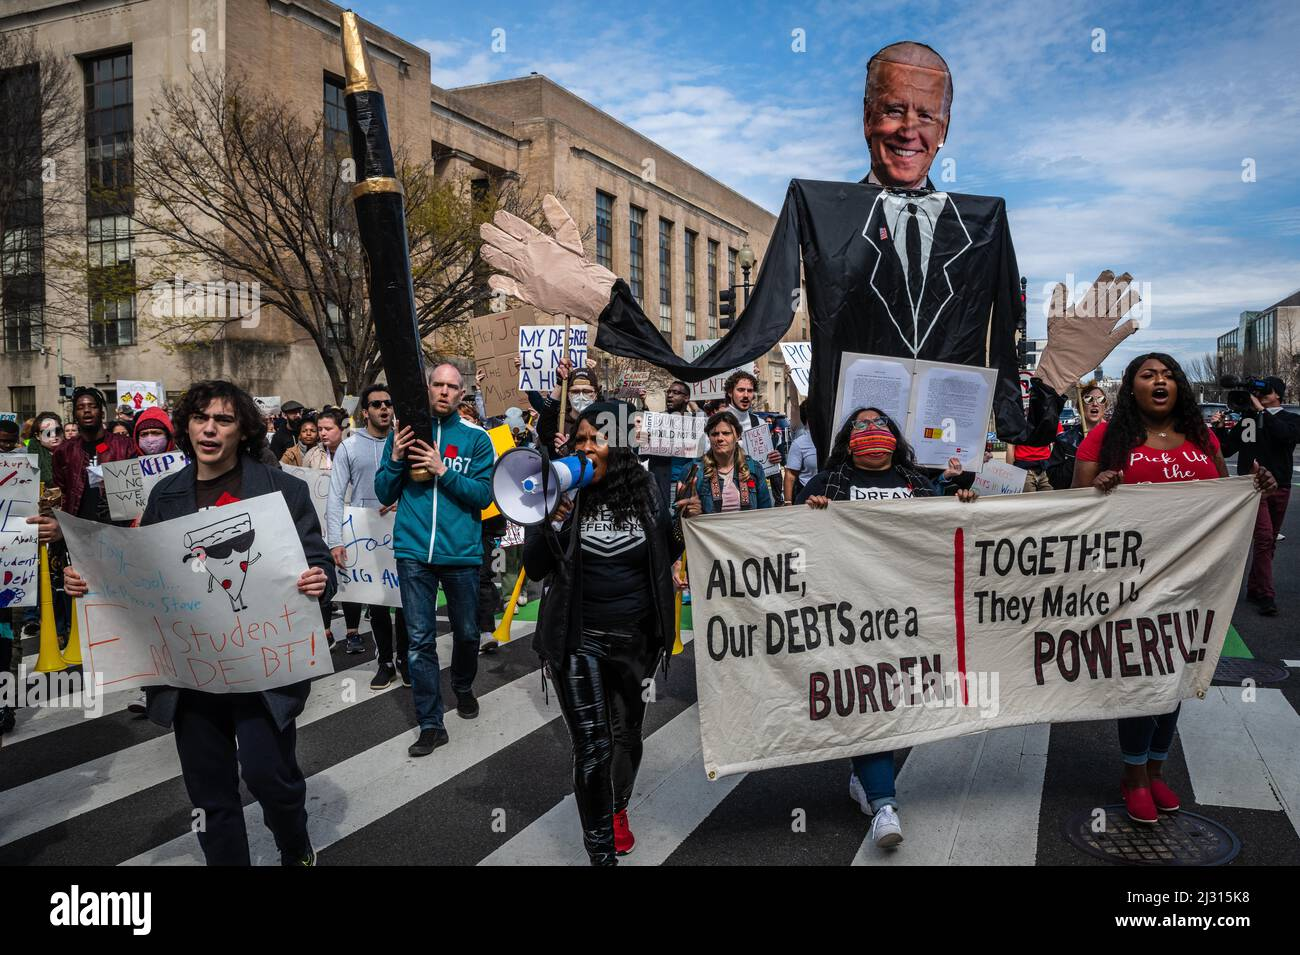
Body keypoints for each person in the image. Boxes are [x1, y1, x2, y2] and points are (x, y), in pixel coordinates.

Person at [60, 380, 335, 865]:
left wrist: (319, 579)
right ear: (186, 426)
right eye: (201, 418)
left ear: (242, 429)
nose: (210, 429)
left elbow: (319, 561)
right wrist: (89, 581)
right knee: (210, 793)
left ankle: (294, 843)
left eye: (224, 419)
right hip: (191, 673)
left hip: (261, 667)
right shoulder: (165, 494)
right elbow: (138, 572)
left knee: (269, 774)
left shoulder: (282, 489)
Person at [1073, 353, 1276, 825]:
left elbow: (1222, 500)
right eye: (1148, 375)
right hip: (1133, 581)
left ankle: (1157, 768)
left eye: (1167, 375)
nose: (1160, 381)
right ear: (1132, 388)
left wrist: (1254, 486)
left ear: (1179, 386)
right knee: (1144, 676)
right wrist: (1101, 486)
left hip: (1196, 580)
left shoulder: (1201, 436)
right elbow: (1076, 505)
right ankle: (1133, 776)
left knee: (1179, 675)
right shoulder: (1107, 435)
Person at [796, 406, 977, 848]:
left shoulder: (916, 484)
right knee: (866, 697)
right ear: (847, 438)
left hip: (906, 613)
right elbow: (796, 543)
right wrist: (810, 514)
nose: (872, 430)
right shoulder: (827, 484)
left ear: (895, 436)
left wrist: (960, 504)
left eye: (880, 424)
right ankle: (884, 805)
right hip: (851, 614)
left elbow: (941, 534)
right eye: (862, 424)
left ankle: (865, 777)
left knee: (888, 702)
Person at [523, 400, 684, 864]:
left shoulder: (648, 490)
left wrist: (682, 524)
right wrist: (549, 515)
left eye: (598, 439)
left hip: (636, 638)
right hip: (577, 638)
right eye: (581, 440)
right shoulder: (564, 495)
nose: (588, 448)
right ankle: (600, 853)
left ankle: (617, 809)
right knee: (591, 744)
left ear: (622, 444)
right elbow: (535, 566)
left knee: (627, 732)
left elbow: (662, 554)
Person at [375, 364, 494, 756]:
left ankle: (462, 685)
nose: (444, 391)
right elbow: (382, 491)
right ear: (427, 389)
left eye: (452, 386)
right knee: (419, 640)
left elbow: (482, 496)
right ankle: (430, 723)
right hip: (413, 554)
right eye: (437, 384)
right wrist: (394, 458)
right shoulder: (405, 432)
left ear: (463, 394)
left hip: (460, 554)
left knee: (467, 633)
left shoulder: (477, 438)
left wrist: (442, 470)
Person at [327, 384, 411, 682]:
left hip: (403, 529)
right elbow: (335, 495)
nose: (384, 409)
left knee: (404, 603)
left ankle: (405, 658)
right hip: (366, 535)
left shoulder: (406, 441)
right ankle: (385, 662)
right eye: (377, 404)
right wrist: (335, 540)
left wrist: (404, 500)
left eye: (388, 403)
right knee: (376, 605)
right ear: (365, 412)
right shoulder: (350, 446)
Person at [1212, 377, 1300, 616]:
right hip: (1251, 486)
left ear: (1278, 395)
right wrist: (1219, 429)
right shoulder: (1248, 419)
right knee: (1263, 538)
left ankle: (1255, 587)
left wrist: (1262, 412)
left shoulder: (1290, 419)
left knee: (1269, 540)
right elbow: (1227, 449)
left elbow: (1286, 436)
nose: (1260, 397)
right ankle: (1266, 595)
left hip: (1280, 484)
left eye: (1266, 392)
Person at [676, 411, 773, 515]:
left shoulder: (754, 468)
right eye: (714, 434)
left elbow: (766, 514)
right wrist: (692, 514)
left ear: (738, 436)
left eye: (726, 433)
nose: (720, 438)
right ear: (709, 437)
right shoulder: (693, 471)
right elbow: (677, 518)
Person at [1047, 381, 1107, 490]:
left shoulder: (1115, 437)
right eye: (1088, 399)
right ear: (1080, 408)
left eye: (1101, 399)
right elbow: (1055, 480)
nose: (1095, 403)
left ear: (1105, 407)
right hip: (1077, 499)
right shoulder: (1065, 440)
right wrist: (1080, 458)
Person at [784, 400, 819, 504]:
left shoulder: (833, 440)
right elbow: (790, 475)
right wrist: (788, 502)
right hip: (807, 499)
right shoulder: (799, 444)